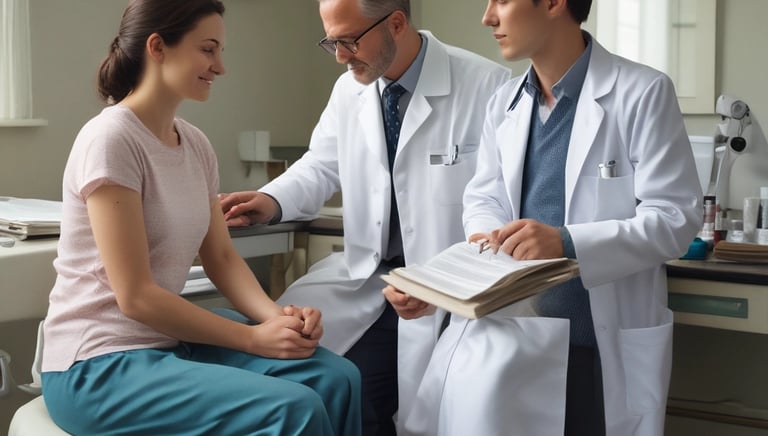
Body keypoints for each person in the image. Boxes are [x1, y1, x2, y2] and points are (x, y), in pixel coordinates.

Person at [40, 1, 361, 434]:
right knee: (293, 408)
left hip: (167, 342)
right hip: (97, 362)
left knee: (337, 379)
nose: (220, 67)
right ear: (158, 47)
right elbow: (135, 297)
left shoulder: (194, 144)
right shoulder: (111, 139)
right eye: (208, 50)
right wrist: (251, 338)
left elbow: (223, 259)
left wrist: (275, 319)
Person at [383, 0, 703, 435]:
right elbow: (483, 200)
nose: (488, 17)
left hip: (594, 345)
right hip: (511, 337)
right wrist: (452, 283)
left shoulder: (642, 92)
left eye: (502, 1)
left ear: (553, 3)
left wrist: (567, 242)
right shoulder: (505, 102)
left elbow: (675, 218)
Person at [218, 0, 510, 434]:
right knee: (312, 381)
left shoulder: (489, 86)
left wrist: (448, 279)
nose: (339, 56)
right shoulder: (349, 89)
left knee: (421, 410)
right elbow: (321, 165)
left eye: (349, 41)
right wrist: (270, 200)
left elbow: (499, 203)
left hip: (446, 291)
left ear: (396, 23)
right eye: (331, 42)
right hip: (366, 279)